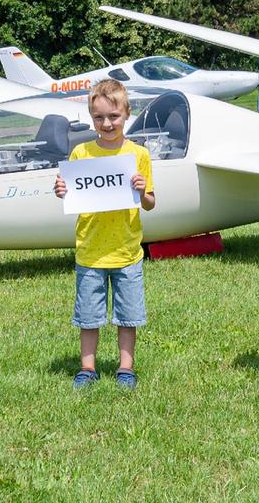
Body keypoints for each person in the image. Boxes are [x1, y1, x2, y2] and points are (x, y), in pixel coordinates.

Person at [52, 80, 156, 389]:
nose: (106, 124)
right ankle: (87, 368)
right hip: (91, 250)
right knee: (89, 316)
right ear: (90, 117)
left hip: (127, 252)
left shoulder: (138, 155)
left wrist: (142, 190)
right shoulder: (81, 153)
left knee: (128, 316)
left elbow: (150, 203)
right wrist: (61, 190)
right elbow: (69, 193)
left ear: (127, 114)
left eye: (113, 116)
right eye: (99, 118)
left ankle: (126, 368)